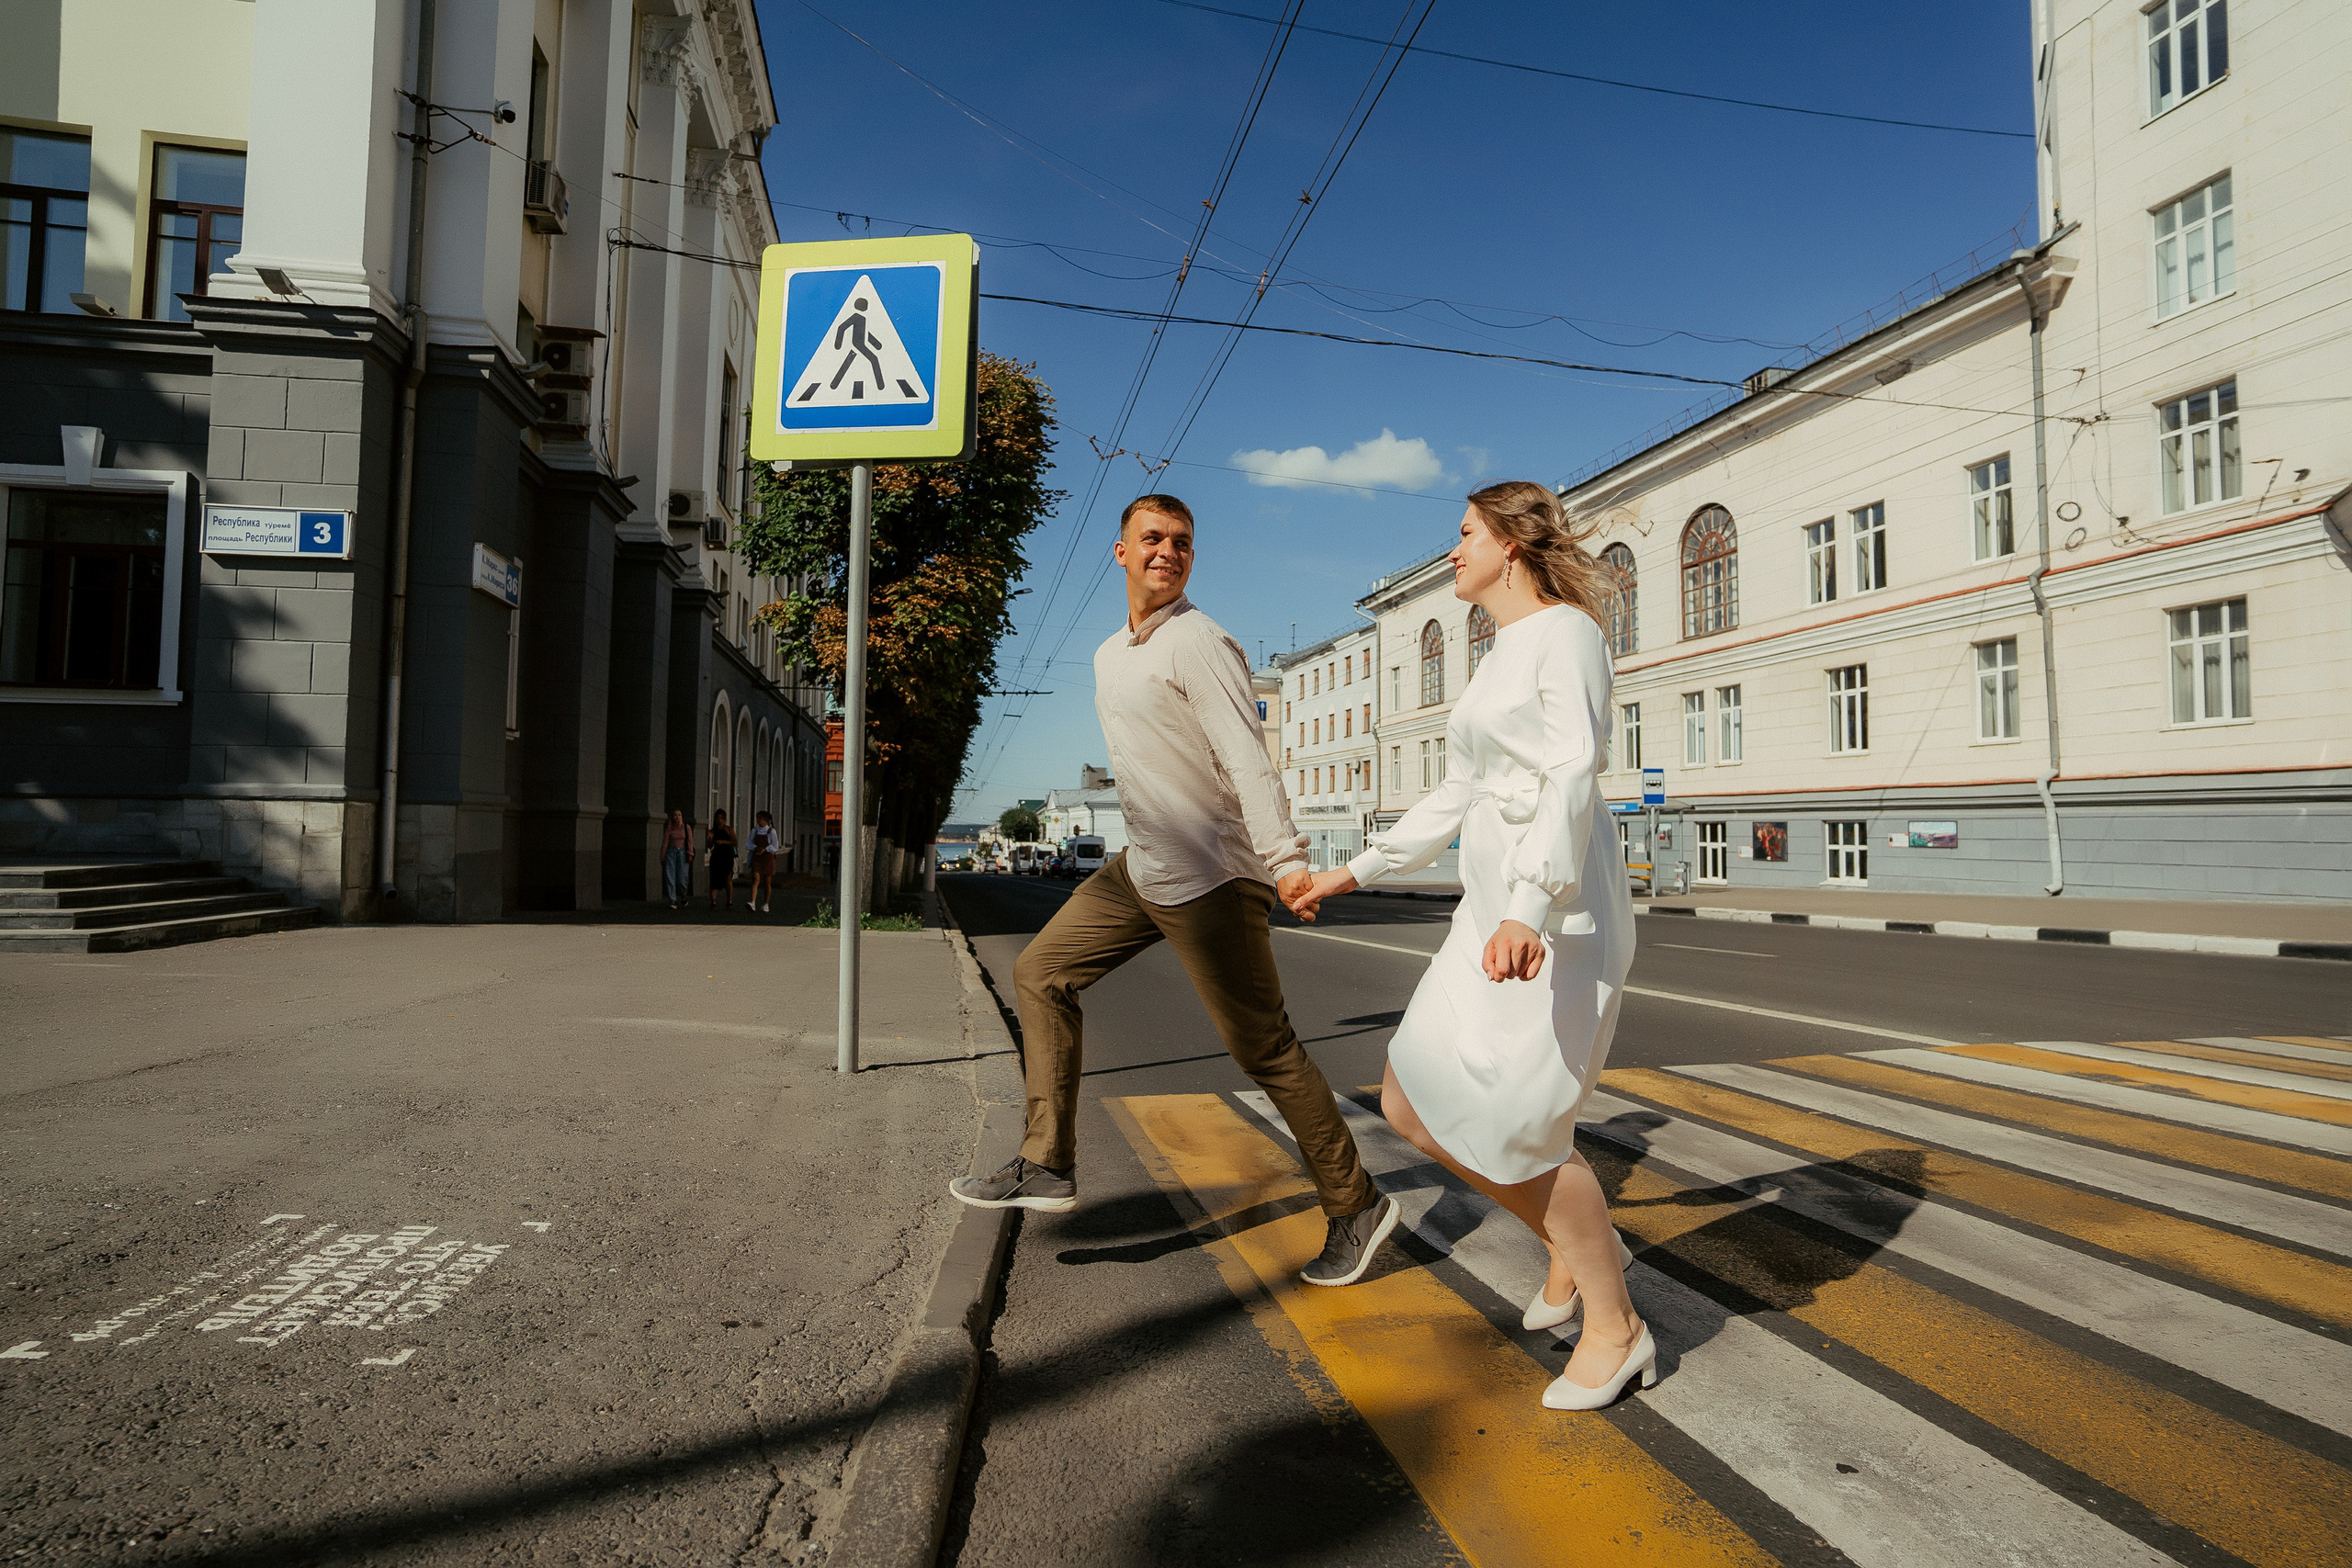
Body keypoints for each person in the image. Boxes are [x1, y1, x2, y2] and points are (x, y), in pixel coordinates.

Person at [950, 494, 1399, 1289]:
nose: (1168, 551)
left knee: (1264, 1048)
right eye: (1152, 538)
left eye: (1182, 541)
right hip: (1143, 866)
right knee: (1041, 972)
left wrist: (1286, 860)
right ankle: (1046, 1161)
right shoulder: (1108, 654)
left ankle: (1356, 1202)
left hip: (1212, 875)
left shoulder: (1199, 642)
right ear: (1120, 551)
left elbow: (1247, 755)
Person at [1287, 481, 1645, 1409]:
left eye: (1465, 534)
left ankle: (1616, 1327)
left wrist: (1529, 906)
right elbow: (1457, 791)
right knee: (1410, 1097)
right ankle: (1575, 1245)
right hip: (1487, 908)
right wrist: (1353, 870)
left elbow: (1571, 771)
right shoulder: (1494, 656)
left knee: (1525, 1124)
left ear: (1510, 546)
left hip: (1552, 909)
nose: (1453, 551)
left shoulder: (1567, 634)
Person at [661, 809, 695, 910]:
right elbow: (665, 842)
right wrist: (662, 856)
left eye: (679, 815)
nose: (677, 817)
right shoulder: (669, 828)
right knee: (670, 876)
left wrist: (690, 853)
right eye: (675, 815)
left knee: (682, 878)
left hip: (682, 853)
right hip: (671, 853)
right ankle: (673, 900)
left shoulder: (686, 827)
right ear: (672, 817)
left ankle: (684, 895)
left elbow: (690, 841)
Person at [748, 811, 781, 913]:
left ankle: (766, 904)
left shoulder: (771, 831)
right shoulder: (755, 830)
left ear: (765, 820)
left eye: (760, 818)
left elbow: (775, 846)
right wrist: (755, 847)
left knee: (767, 882)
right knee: (756, 879)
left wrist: (765, 849)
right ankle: (752, 902)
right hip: (757, 857)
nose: (758, 820)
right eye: (757, 818)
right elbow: (749, 843)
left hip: (767, 857)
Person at [707, 809, 740, 911]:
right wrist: (710, 838)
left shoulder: (729, 829)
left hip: (727, 856)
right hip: (716, 856)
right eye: (717, 818)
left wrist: (723, 842)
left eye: (721, 818)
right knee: (714, 879)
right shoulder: (713, 830)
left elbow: (735, 842)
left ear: (725, 819)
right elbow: (709, 846)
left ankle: (729, 901)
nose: (719, 820)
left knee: (728, 879)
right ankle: (713, 901)